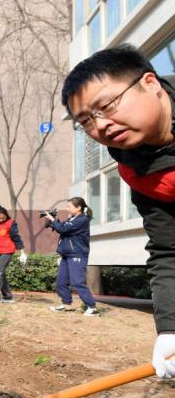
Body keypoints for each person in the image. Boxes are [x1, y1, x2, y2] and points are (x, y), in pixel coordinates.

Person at [62, 45, 175, 376]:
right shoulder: (138, 170)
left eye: (107, 105)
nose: (101, 125)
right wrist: (170, 330)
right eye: (86, 120)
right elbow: (168, 249)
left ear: (150, 83)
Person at [43, 198, 98, 316]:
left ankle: (92, 308)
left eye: (69, 206)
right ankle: (67, 304)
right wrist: (54, 221)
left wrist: (53, 219)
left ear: (78, 208)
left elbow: (63, 229)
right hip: (66, 254)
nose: (67, 208)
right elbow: (62, 227)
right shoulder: (72, 219)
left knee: (77, 282)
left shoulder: (82, 219)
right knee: (61, 282)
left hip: (77, 254)